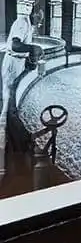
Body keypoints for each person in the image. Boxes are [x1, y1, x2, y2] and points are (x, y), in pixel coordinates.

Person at [2, 8, 45, 158]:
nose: (39, 22)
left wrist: (29, 58)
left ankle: (14, 141)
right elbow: (15, 45)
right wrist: (34, 48)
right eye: (38, 19)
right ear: (33, 13)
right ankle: (10, 144)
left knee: (14, 103)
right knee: (9, 104)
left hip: (18, 63)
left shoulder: (29, 25)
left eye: (40, 21)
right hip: (12, 64)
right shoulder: (22, 22)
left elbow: (23, 48)